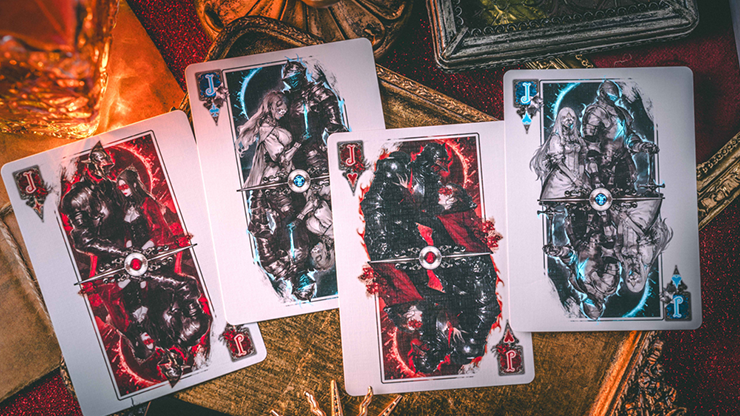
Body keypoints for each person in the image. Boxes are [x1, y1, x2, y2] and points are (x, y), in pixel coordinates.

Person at [115, 167, 212, 382]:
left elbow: (136, 318)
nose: (164, 361)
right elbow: (187, 286)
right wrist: (150, 273)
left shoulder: (159, 340)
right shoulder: (193, 329)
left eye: (124, 185)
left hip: (143, 268)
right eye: (171, 365)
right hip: (159, 267)